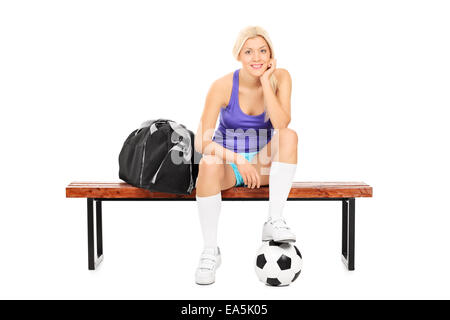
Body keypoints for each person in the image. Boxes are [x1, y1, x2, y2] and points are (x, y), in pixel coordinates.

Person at [193, 26, 298, 285]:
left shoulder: (280, 78)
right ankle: (210, 251)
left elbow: (282, 124)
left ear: (271, 55)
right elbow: (200, 141)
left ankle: (274, 220)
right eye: (249, 51)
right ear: (238, 54)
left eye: (263, 51)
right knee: (207, 162)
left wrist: (265, 81)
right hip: (229, 164)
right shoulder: (222, 85)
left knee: (289, 136)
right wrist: (238, 159)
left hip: (262, 164)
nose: (256, 57)